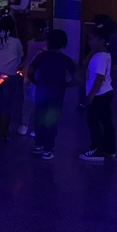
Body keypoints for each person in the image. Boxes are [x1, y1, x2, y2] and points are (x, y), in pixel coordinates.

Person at [27, 29, 76, 161]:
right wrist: (66, 84)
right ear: (64, 44)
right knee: (51, 120)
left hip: (41, 91)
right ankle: (47, 149)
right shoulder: (66, 60)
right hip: (57, 94)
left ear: (47, 42)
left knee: (39, 117)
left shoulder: (41, 56)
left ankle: (38, 145)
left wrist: (35, 81)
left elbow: (30, 71)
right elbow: (76, 78)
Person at [79, 22, 116, 162]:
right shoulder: (104, 54)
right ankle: (109, 149)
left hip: (99, 95)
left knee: (94, 122)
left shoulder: (99, 57)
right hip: (106, 93)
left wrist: (91, 95)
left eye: (91, 39)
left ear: (101, 40)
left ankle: (97, 150)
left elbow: (99, 77)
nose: (89, 41)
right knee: (106, 121)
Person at [0, 15, 24, 141]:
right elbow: (20, 57)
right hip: (10, 76)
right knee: (7, 106)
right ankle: (3, 133)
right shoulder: (16, 42)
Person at [18, 19, 48, 136]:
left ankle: (26, 125)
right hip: (32, 76)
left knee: (30, 101)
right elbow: (27, 59)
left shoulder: (33, 44)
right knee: (31, 101)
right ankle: (32, 126)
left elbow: (27, 59)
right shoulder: (36, 43)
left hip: (33, 76)